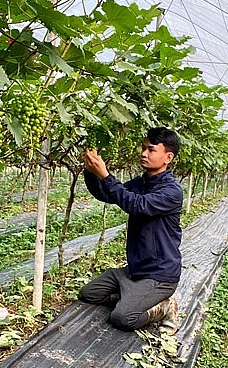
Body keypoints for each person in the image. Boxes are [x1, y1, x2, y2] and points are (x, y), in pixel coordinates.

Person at [78, 127, 183, 335]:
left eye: (151, 150)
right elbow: (108, 195)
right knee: (88, 293)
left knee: (122, 317)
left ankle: (164, 308)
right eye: (143, 148)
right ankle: (131, 296)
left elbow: (137, 205)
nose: (144, 153)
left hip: (159, 275)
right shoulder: (141, 182)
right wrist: (91, 173)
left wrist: (106, 175)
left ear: (168, 157)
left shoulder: (172, 191)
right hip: (134, 271)